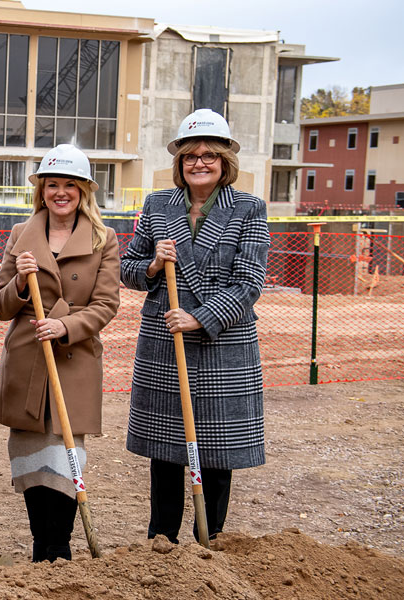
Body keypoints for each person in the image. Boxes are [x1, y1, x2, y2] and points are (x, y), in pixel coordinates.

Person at [120, 108, 270, 544]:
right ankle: (162, 544)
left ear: (225, 162)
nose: (199, 163)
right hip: (165, 344)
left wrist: (200, 317)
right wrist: (152, 264)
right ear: (179, 163)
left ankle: (211, 542)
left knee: (216, 454)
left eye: (208, 155)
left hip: (221, 345)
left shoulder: (249, 208)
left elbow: (249, 281)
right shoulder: (157, 205)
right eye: (190, 156)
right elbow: (127, 270)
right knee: (166, 454)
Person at [0, 144, 120, 562]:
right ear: (41, 190)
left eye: (70, 185)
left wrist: (65, 325)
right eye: (52, 185)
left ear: (84, 191)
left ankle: (58, 549)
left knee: (65, 457)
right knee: (32, 459)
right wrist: (22, 284)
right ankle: (39, 549)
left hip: (73, 360)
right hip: (28, 361)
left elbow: (106, 304)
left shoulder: (104, 238)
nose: (60, 192)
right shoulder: (20, 236)